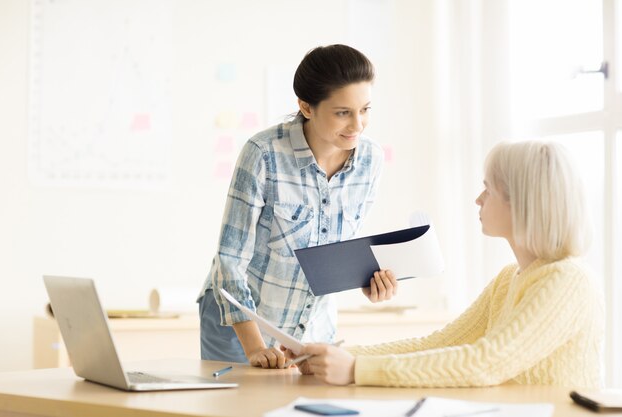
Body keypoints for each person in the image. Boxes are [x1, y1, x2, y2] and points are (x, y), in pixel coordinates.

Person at [289, 140, 604, 388]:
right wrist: (333, 357)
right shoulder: (510, 278)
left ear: (521, 203)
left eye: (489, 189)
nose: (478, 199)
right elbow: (439, 344)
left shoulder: (568, 281)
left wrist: (356, 369)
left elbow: (487, 362)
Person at [197, 44, 398, 369]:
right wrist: (254, 347)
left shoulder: (370, 160)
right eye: (343, 112)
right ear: (306, 106)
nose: (358, 125)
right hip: (240, 325)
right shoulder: (263, 153)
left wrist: (368, 281)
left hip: (312, 325)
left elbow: (335, 247)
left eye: (365, 109)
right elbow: (229, 260)